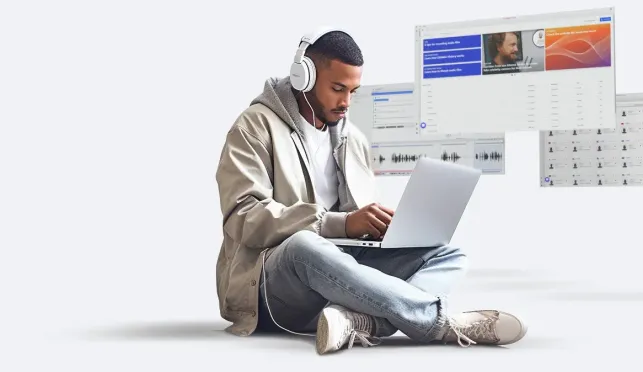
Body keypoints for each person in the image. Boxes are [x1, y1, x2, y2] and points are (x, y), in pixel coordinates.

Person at [214, 27, 527, 355]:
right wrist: (341, 224)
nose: (346, 102)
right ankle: (437, 323)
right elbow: (242, 216)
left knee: (448, 254)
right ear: (303, 77)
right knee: (303, 246)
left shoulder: (353, 139)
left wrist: (382, 229)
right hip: (268, 286)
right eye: (337, 89)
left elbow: (355, 231)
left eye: (353, 91)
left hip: (337, 276)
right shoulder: (253, 126)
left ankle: (359, 320)